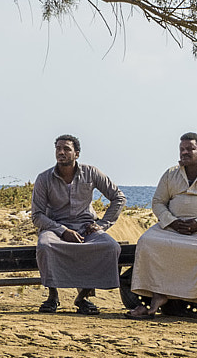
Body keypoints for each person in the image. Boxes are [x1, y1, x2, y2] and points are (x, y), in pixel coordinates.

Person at [127, 132, 197, 323]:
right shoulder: (170, 174)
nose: (185, 153)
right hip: (172, 226)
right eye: (182, 149)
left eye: (190, 149)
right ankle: (156, 297)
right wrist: (172, 222)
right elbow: (158, 202)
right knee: (146, 242)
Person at [30, 134, 126, 314]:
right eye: (58, 148)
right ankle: (52, 296)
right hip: (55, 227)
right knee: (45, 246)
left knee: (110, 246)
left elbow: (118, 197)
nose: (61, 152)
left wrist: (103, 225)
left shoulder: (91, 172)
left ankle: (83, 298)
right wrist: (62, 230)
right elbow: (37, 216)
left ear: (77, 154)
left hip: (86, 226)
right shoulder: (44, 178)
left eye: (66, 149)